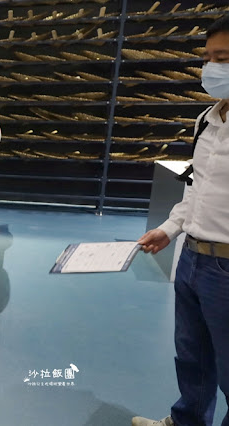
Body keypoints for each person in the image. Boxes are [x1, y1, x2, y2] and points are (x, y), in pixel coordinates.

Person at [133, 16, 229, 426]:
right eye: (208, 57)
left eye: (222, 58)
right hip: (192, 258)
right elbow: (196, 188)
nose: (211, 68)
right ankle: (187, 420)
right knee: (192, 355)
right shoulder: (206, 119)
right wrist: (170, 229)